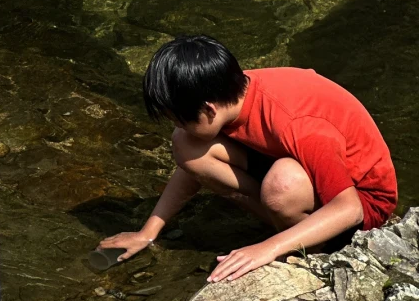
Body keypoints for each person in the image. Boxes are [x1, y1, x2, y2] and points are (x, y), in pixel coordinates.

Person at [96, 35, 397, 283]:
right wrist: (148, 233)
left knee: (282, 185)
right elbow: (191, 169)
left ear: (209, 110)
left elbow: (350, 209)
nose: (177, 126)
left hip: (360, 202)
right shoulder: (232, 91)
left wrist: (266, 249)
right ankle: (287, 226)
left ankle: (314, 249)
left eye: (180, 119)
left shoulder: (299, 125)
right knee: (187, 145)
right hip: (299, 165)